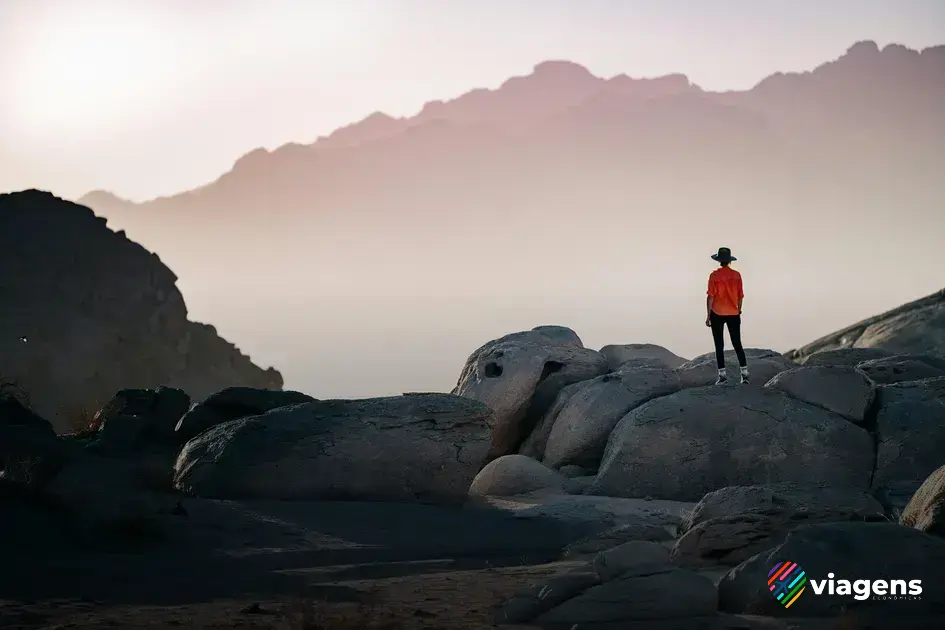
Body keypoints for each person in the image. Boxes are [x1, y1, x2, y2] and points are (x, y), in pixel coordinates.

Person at [705, 247, 749, 385]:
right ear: (729, 261)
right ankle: (744, 374)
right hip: (734, 313)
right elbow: (740, 296)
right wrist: (739, 310)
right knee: (737, 344)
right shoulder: (737, 275)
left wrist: (708, 315)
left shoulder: (714, 276)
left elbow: (710, 297)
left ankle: (722, 376)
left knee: (719, 345)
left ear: (719, 261)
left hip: (717, 313)